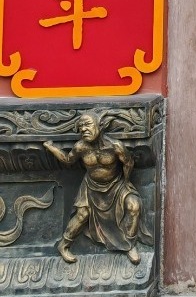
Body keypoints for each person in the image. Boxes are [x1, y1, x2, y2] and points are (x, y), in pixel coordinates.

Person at [44, 112, 151, 264]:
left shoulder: (115, 146)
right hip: (91, 186)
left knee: (134, 206)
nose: (83, 129)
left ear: (100, 126)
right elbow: (68, 160)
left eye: (87, 124)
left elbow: (128, 163)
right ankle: (64, 245)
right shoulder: (81, 147)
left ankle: (130, 245)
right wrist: (50, 147)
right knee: (82, 215)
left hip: (116, 184)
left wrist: (126, 181)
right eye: (80, 126)